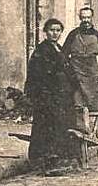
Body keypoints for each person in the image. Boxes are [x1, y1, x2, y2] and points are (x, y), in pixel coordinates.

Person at [24, 18, 78, 174]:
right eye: (52, 30)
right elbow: (38, 75)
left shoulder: (59, 49)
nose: (55, 33)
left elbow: (68, 70)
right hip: (46, 96)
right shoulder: (42, 51)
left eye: (58, 30)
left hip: (60, 96)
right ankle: (46, 161)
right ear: (45, 32)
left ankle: (58, 159)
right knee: (46, 127)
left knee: (60, 126)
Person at [61, 6, 98, 116]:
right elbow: (64, 53)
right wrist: (67, 67)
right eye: (83, 18)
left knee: (92, 95)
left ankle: (93, 121)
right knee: (77, 95)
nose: (86, 20)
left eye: (88, 18)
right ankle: (78, 120)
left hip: (91, 69)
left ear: (91, 18)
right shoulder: (73, 34)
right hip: (76, 69)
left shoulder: (97, 35)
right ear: (80, 18)